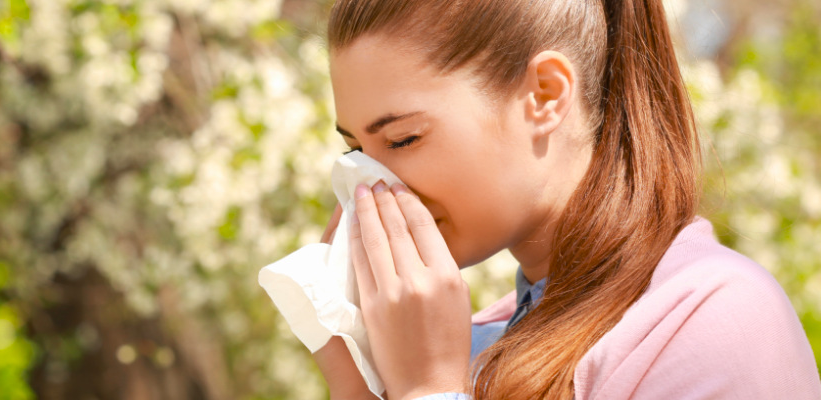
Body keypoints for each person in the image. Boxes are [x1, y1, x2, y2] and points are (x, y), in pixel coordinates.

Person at [309, 0, 821, 399]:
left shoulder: (711, 322)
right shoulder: (469, 342)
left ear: (546, 95)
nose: (370, 181)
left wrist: (428, 390)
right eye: (355, 150)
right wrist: (360, 385)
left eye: (402, 140)